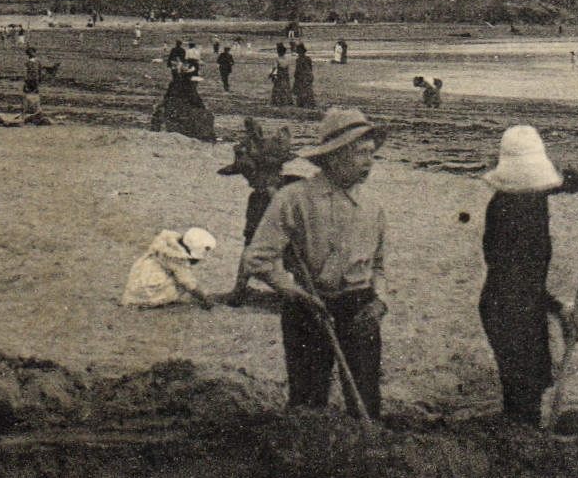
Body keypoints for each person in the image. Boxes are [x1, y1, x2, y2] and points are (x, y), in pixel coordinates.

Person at [244, 108, 388, 419]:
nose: (369, 161)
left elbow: (379, 266)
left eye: (371, 154)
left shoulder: (373, 207)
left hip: (359, 307)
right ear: (334, 156)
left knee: (366, 401)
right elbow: (258, 258)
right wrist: (293, 292)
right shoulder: (294, 199)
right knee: (307, 402)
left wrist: (380, 303)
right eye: (361, 153)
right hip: (308, 306)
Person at [477, 126, 578, 426]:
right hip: (504, 308)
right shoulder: (503, 214)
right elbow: (516, 282)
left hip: (528, 304)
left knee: (532, 388)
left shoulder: (534, 192)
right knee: (523, 395)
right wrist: (561, 311)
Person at [217, 117, 298, 306]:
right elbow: (250, 247)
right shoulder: (289, 186)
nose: (248, 181)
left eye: (249, 175)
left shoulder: (290, 190)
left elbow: (250, 248)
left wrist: (238, 290)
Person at [123, 228, 218, 309]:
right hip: (148, 289)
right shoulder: (177, 258)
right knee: (181, 285)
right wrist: (204, 298)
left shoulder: (166, 245)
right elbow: (188, 282)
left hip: (140, 278)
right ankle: (153, 300)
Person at [21, 46, 51, 125]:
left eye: (33, 52)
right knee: (28, 95)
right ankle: (28, 110)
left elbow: (40, 71)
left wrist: (40, 79)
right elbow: (26, 72)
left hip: (35, 80)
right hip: (30, 80)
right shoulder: (28, 62)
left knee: (34, 95)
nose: (32, 54)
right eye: (30, 53)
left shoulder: (37, 62)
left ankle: (34, 110)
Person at [291, 43, 317, 109]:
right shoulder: (308, 58)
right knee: (308, 90)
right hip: (308, 75)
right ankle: (309, 103)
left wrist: (296, 77)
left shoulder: (298, 60)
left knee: (301, 90)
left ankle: (302, 103)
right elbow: (310, 68)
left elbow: (298, 70)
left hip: (302, 76)